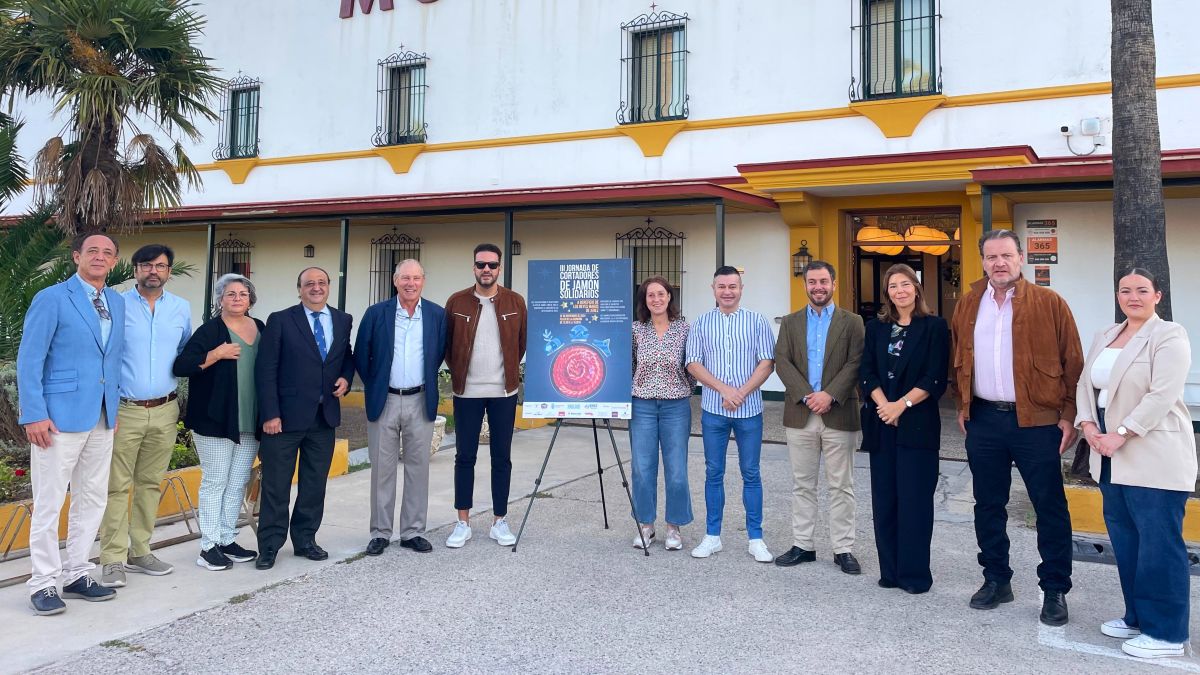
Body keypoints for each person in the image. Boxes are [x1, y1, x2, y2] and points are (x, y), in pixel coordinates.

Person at [949, 229, 1083, 626]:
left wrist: (1068, 415)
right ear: (983, 262)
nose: (999, 263)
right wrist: (963, 404)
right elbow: (957, 357)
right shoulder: (969, 304)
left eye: (1006, 255)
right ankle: (996, 579)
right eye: (991, 257)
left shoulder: (1049, 303)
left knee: (1049, 507)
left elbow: (1073, 363)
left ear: (1020, 258)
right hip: (985, 420)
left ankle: (1055, 588)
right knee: (988, 504)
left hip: (1037, 422)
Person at [1076, 268, 1196, 659]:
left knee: (1159, 545)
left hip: (1152, 454)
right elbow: (1084, 386)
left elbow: (1162, 394)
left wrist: (1121, 433)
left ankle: (1167, 634)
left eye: (1142, 290)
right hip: (1109, 455)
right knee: (1127, 542)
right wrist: (1089, 426)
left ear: (1157, 295)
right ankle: (1137, 617)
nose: (1133, 296)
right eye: (1125, 290)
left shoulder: (1169, 335)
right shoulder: (1106, 335)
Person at [18, 233, 124, 615]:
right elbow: (30, 358)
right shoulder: (52, 298)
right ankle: (43, 581)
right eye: (92, 251)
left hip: (101, 415)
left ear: (114, 262)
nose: (99, 257)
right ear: (77, 256)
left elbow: (111, 359)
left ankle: (78, 573)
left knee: (92, 497)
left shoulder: (116, 302)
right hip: (57, 418)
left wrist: (114, 408)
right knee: (49, 500)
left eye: (107, 253)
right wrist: (33, 413)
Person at [98, 244, 191, 588]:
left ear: (169, 271)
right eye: (147, 265)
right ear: (135, 269)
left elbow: (185, 353)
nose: (154, 271)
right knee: (116, 486)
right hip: (125, 409)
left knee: (150, 483)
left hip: (165, 409)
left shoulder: (181, 308)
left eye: (161, 266)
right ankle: (112, 558)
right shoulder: (115, 304)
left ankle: (140, 550)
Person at [254, 267, 355, 570]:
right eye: (309, 284)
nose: (316, 288)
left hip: (323, 418)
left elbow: (346, 356)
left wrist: (346, 378)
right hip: (283, 420)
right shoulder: (281, 319)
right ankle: (269, 546)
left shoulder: (342, 319)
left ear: (328, 288)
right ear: (298, 289)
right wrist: (270, 413)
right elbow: (266, 368)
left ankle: (305, 540)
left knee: (313, 485)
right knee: (276, 486)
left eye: (321, 283)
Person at [859, 264, 948, 593]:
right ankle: (890, 572)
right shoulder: (876, 328)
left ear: (917, 288)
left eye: (906, 284)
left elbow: (934, 376)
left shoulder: (934, 327)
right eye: (893, 286)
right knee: (885, 501)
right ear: (887, 293)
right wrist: (885, 405)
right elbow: (867, 372)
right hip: (883, 425)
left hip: (918, 426)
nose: (900, 290)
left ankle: (914, 576)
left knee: (915, 502)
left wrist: (901, 405)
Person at [773, 261, 865, 574]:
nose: (818, 287)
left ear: (834, 284)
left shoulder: (852, 322)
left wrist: (829, 395)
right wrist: (807, 395)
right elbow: (782, 361)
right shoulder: (790, 321)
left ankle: (843, 549)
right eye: (812, 282)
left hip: (839, 411)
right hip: (800, 413)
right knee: (803, 485)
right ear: (806, 285)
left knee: (842, 486)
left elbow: (856, 362)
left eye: (823, 281)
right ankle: (803, 545)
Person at [355, 260, 447, 556]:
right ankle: (380, 532)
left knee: (418, 469)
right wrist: (378, 384)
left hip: (420, 399)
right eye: (405, 278)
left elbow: (439, 353)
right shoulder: (376, 313)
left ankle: (413, 531)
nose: (411, 283)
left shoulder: (436, 315)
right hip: (386, 400)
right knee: (382, 469)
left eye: (416, 278)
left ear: (423, 281)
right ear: (395, 281)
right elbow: (361, 355)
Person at [685, 265, 776, 562]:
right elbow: (693, 363)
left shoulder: (757, 321)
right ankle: (713, 536)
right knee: (714, 473)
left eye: (732, 286)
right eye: (721, 286)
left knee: (751, 473)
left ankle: (756, 538)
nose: (727, 291)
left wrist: (741, 392)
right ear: (713, 289)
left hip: (749, 411)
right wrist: (725, 390)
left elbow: (766, 362)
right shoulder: (701, 323)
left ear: (741, 288)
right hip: (714, 410)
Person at [173, 274, 264, 571]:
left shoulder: (260, 328)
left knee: (237, 481)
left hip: (250, 419)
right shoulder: (210, 331)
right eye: (230, 294)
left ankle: (226, 538)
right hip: (216, 419)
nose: (237, 298)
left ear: (250, 299)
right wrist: (216, 354)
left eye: (242, 293)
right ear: (220, 300)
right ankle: (208, 546)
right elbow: (183, 365)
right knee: (215, 482)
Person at [443, 244, 527, 549]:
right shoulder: (456, 302)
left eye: (492, 265)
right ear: (474, 267)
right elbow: (448, 345)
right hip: (467, 392)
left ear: (500, 268)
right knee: (464, 456)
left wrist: (506, 375)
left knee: (501, 457)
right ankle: (462, 522)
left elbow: (522, 343)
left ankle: (499, 521)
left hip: (504, 392)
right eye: (481, 265)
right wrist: (460, 373)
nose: (486, 270)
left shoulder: (515, 301)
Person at [629, 276, 694, 550]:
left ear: (670, 296)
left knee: (676, 469)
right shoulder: (635, 330)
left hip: (676, 406)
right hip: (642, 404)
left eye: (661, 294)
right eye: (650, 295)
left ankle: (674, 527)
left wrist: (684, 389)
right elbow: (629, 363)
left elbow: (692, 364)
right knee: (642, 468)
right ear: (644, 300)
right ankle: (645, 524)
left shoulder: (684, 328)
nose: (656, 299)